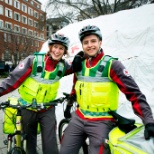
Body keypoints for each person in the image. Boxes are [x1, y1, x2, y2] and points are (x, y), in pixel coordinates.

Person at [60, 25, 154, 154]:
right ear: (82, 46)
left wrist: (148, 120)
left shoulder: (112, 65)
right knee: (65, 150)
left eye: (93, 41)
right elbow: (76, 88)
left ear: (100, 42)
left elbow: (134, 94)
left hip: (102, 120)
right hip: (79, 117)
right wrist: (68, 106)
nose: (90, 45)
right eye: (85, 42)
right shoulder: (80, 64)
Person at [0, 33, 83, 154]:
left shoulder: (63, 66)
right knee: (30, 143)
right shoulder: (33, 61)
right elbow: (12, 81)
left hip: (47, 109)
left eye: (61, 48)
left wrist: (80, 57)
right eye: (55, 47)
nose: (57, 51)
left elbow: (76, 66)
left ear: (65, 51)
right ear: (50, 47)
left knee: (51, 146)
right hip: (27, 108)